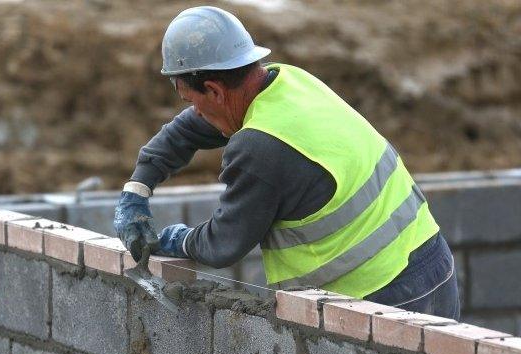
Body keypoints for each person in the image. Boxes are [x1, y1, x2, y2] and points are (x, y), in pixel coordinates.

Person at [113, 6, 460, 319]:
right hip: (434, 264)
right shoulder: (289, 82)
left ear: (215, 91)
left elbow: (223, 243)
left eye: (195, 101)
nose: (196, 112)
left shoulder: (259, 148)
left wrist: (176, 240)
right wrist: (136, 189)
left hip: (386, 298)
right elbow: (186, 131)